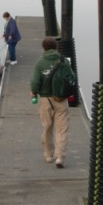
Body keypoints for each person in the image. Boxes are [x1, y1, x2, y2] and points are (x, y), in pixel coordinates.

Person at [30, 37, 69, 168]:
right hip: (61, 100)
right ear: (56, 47)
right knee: (62, 129)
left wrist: (34, 92)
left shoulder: (40, 62)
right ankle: (60, 157)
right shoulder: (64, 61)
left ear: (44, 48)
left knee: (47, 128)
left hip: (45, 100)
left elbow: (35, 82)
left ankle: (48, 155)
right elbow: (72, 77)